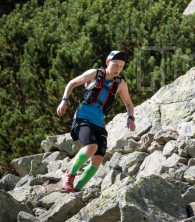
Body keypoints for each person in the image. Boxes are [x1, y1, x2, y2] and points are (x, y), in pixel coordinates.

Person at [56, 50, 136, 192]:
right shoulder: (95, 74)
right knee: (91, 147)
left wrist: (130, 118)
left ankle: (77, 190)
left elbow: (129, 104)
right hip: (83, 118)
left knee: (98, 159)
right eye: (115, 65)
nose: (118, 69)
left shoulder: (120, 84)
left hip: (99, 123)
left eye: (121, 66)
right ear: (107, 62)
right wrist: (64, 100)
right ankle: (69, 174)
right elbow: (72, 83)